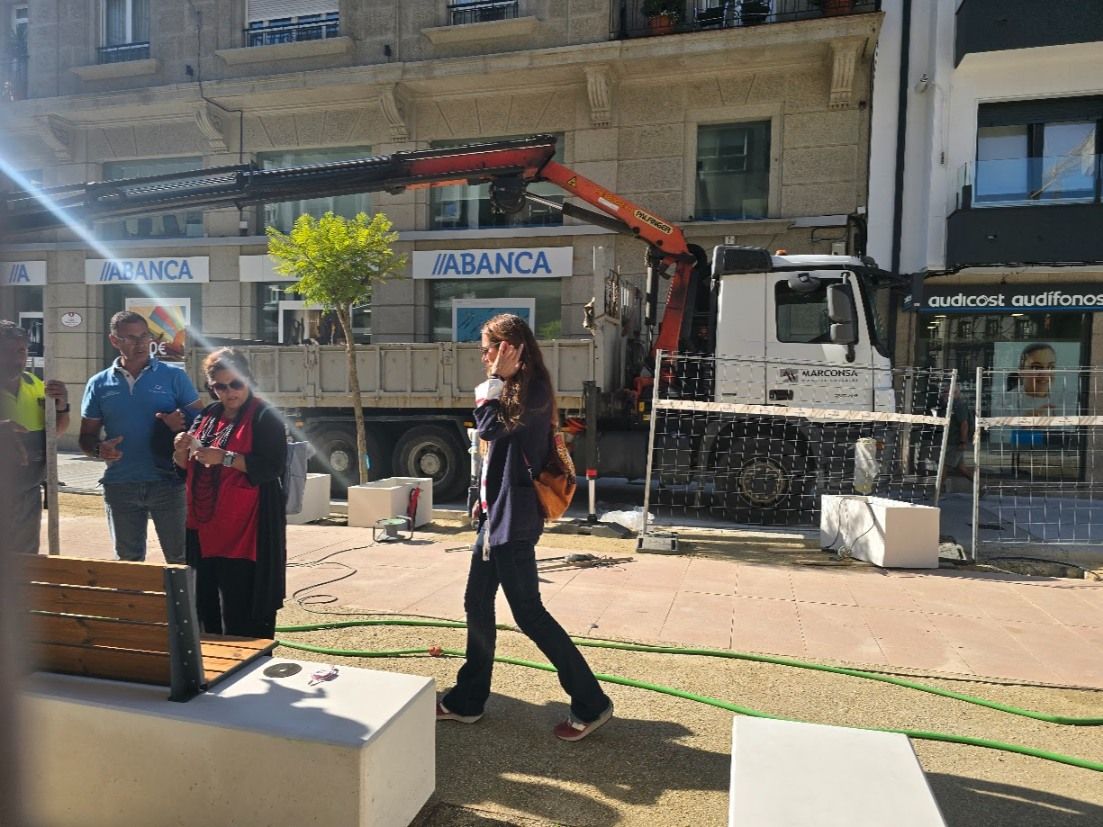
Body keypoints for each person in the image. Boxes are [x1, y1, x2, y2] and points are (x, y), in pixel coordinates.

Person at [437, 314, 613, 742]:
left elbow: (489, 427)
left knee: (529, 614)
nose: (483, 359)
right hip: (496, 519)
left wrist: (494, 382)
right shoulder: (518, 389)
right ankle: (468, 700)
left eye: (487, 350)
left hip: (512, 524)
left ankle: (591, 701)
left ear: (508, 349)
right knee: (477, 603)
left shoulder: (529, 391)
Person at [173, 348, 287, 638]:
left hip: (248, 534)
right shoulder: (208, 414)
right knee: (206, 605)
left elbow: (272, 466)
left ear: (248, 379)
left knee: (242, 608)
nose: (229, 392)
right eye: (220, 386)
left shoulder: (265, 416)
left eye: (235, 383)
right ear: (212, 388)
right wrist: (181, 450)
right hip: (206, 527)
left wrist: (224, 457)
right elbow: (182, 470)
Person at [79, 311, 204, 563]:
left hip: (169, 483)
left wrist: (179, 424)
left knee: (182, 560)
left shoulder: (174, 376)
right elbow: (86, 437)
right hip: (121, 484)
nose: (139, 344)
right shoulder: (98, 383)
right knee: (128, 562)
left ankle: (188, 605)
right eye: (130, 338)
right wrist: (98, 450)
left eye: (144, 336)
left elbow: (204, 424)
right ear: (114, 341)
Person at [0, 320, 70, 554]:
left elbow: (55, 432)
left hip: (27, 492)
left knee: (26, 560)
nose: (15, 359)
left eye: (21, 351)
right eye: (6, 350)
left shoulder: (36, 385)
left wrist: (62, 407)